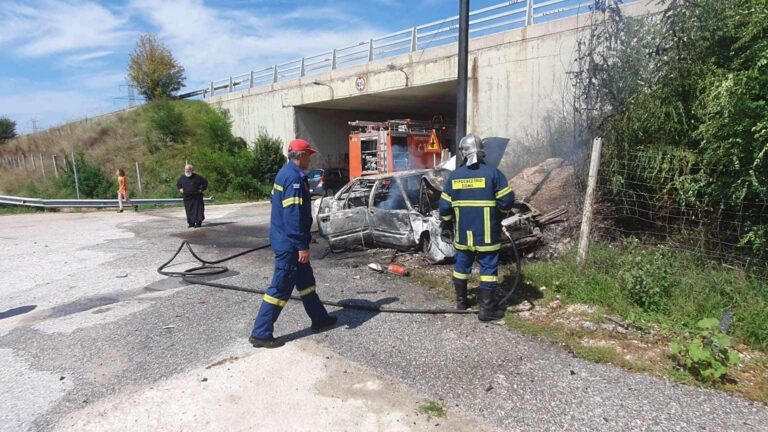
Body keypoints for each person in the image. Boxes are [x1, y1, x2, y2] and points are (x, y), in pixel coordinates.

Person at [249, 138, 337, 348]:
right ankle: (261, 333)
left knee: (306, 283)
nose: (310, 159)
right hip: (290, 245)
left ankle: (319, 318)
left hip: (286, 240)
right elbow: (293, 216)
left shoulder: (284, 174)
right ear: (301, 155)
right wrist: (301, 245)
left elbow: (276, 203)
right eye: (309, 155)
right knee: (280, 288)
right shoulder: (294, 180)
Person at [439, 133, 515, 321]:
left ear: (463, 153)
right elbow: (507, 201)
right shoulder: (493, 173)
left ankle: (461, 302)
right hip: (487, 235)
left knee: (461, 266)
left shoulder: (455, 177)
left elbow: (444, 207)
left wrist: (447, 223)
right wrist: (499, 214)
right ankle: (487, 310)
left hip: (463, 235)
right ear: (481, 152)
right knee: (488, 270)